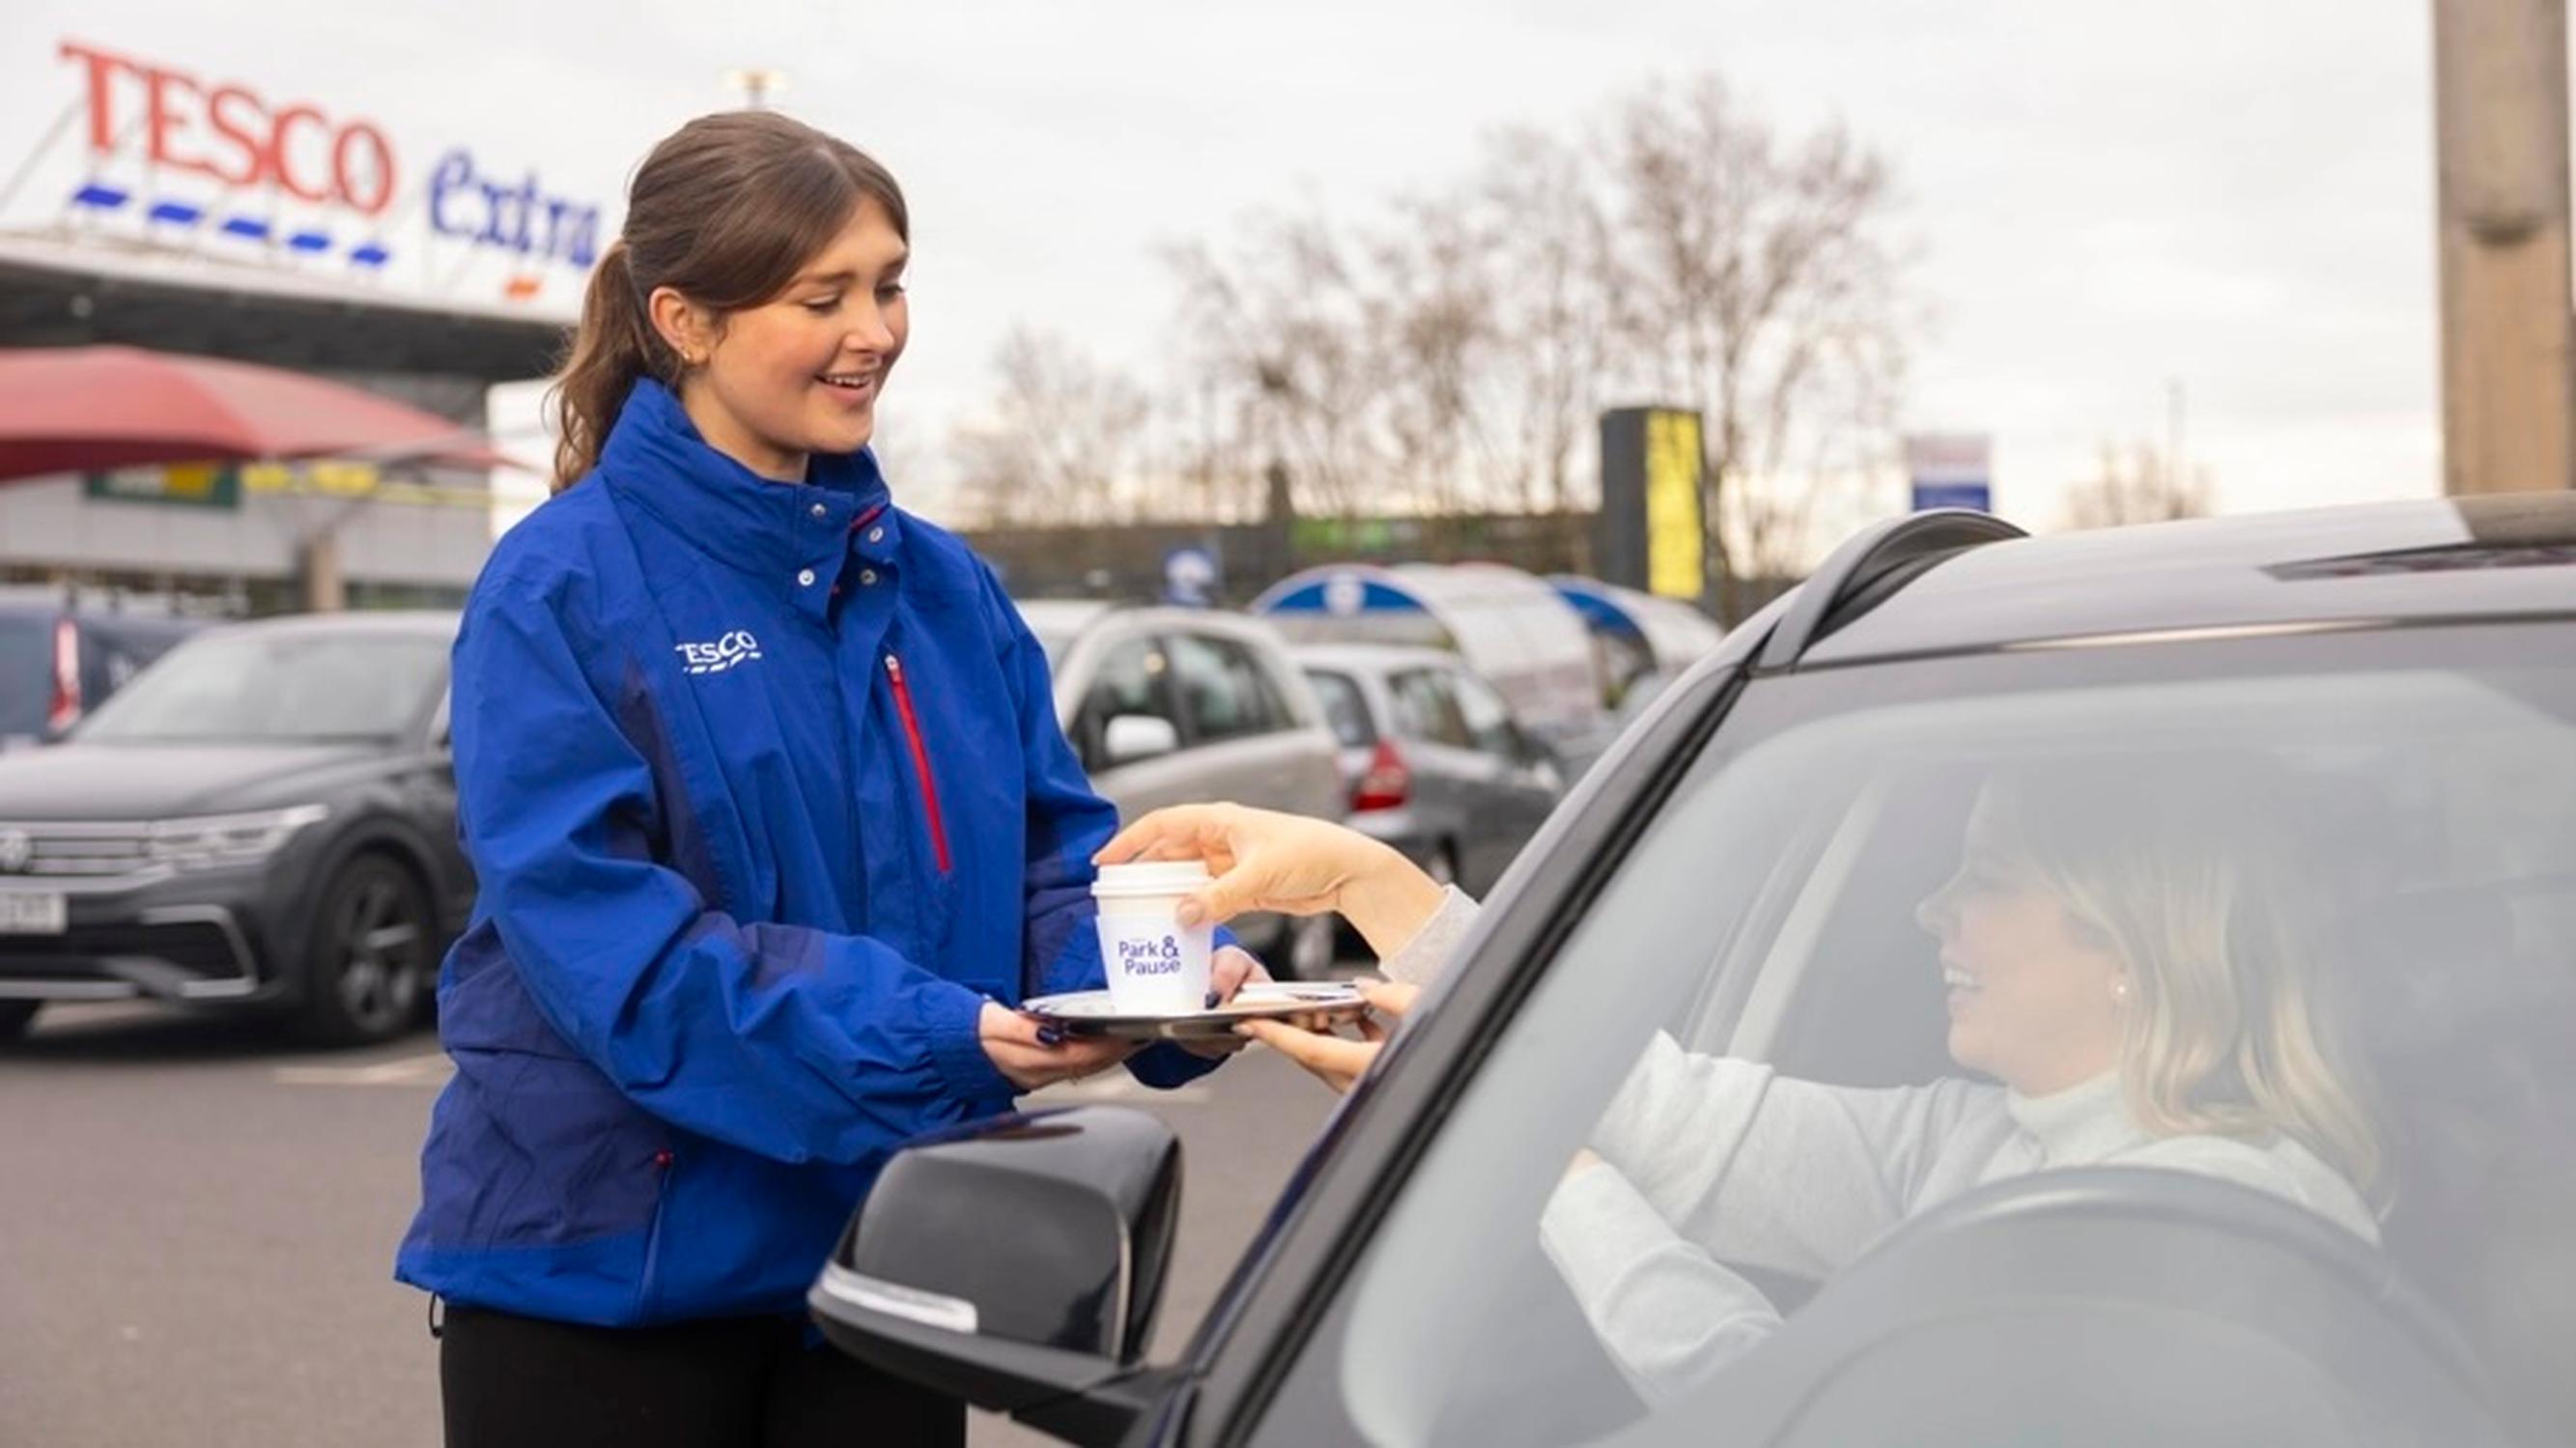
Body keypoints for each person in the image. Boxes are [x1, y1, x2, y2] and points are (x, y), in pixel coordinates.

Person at [396, 111, 1249, 1448]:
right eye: (824, 295)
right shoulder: (557, 590)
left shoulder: (947, 589)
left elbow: (1047, 863)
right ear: (682, 318)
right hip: (610, 1292)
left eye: (890, 283)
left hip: (883, 1271)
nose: (877, 330)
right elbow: (614, 956)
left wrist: (1163, 985)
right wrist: (938, 1036)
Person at [1098, 761, 2384, 1405]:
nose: (1933, 910)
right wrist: (1368, 887)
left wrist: (1530, 1160)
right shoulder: (1982, 1145)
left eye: (1985, 880)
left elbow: (1777, 1420)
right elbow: (1676, 1116)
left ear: (2131, 941)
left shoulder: (2215, 1235)